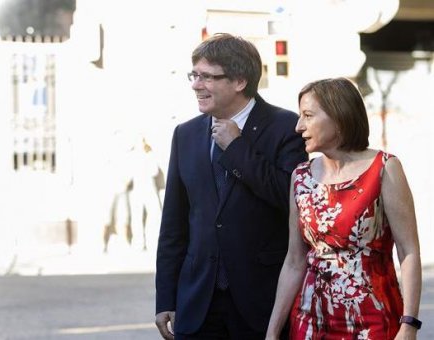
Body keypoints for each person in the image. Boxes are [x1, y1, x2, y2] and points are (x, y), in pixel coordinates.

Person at [155, 33, 307, 340]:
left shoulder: (286, 127)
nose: (196, 85)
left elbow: (290, 198)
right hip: (197, 304)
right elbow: (174, 223)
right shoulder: (185, 134)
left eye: (207, 77)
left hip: (259, 303)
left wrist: (237, 148)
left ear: (239, 81)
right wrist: (166, 297)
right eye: (194, 75)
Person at [265, 77, 422, 340]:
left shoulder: (384, 168)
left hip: (373, 321)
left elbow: (409, 251)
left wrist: (409, 324)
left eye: (307, 115)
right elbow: (294, 260)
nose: (298, 126)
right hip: (308, 322)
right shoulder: (300, 176)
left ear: (338, 117)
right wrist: (272, 331)